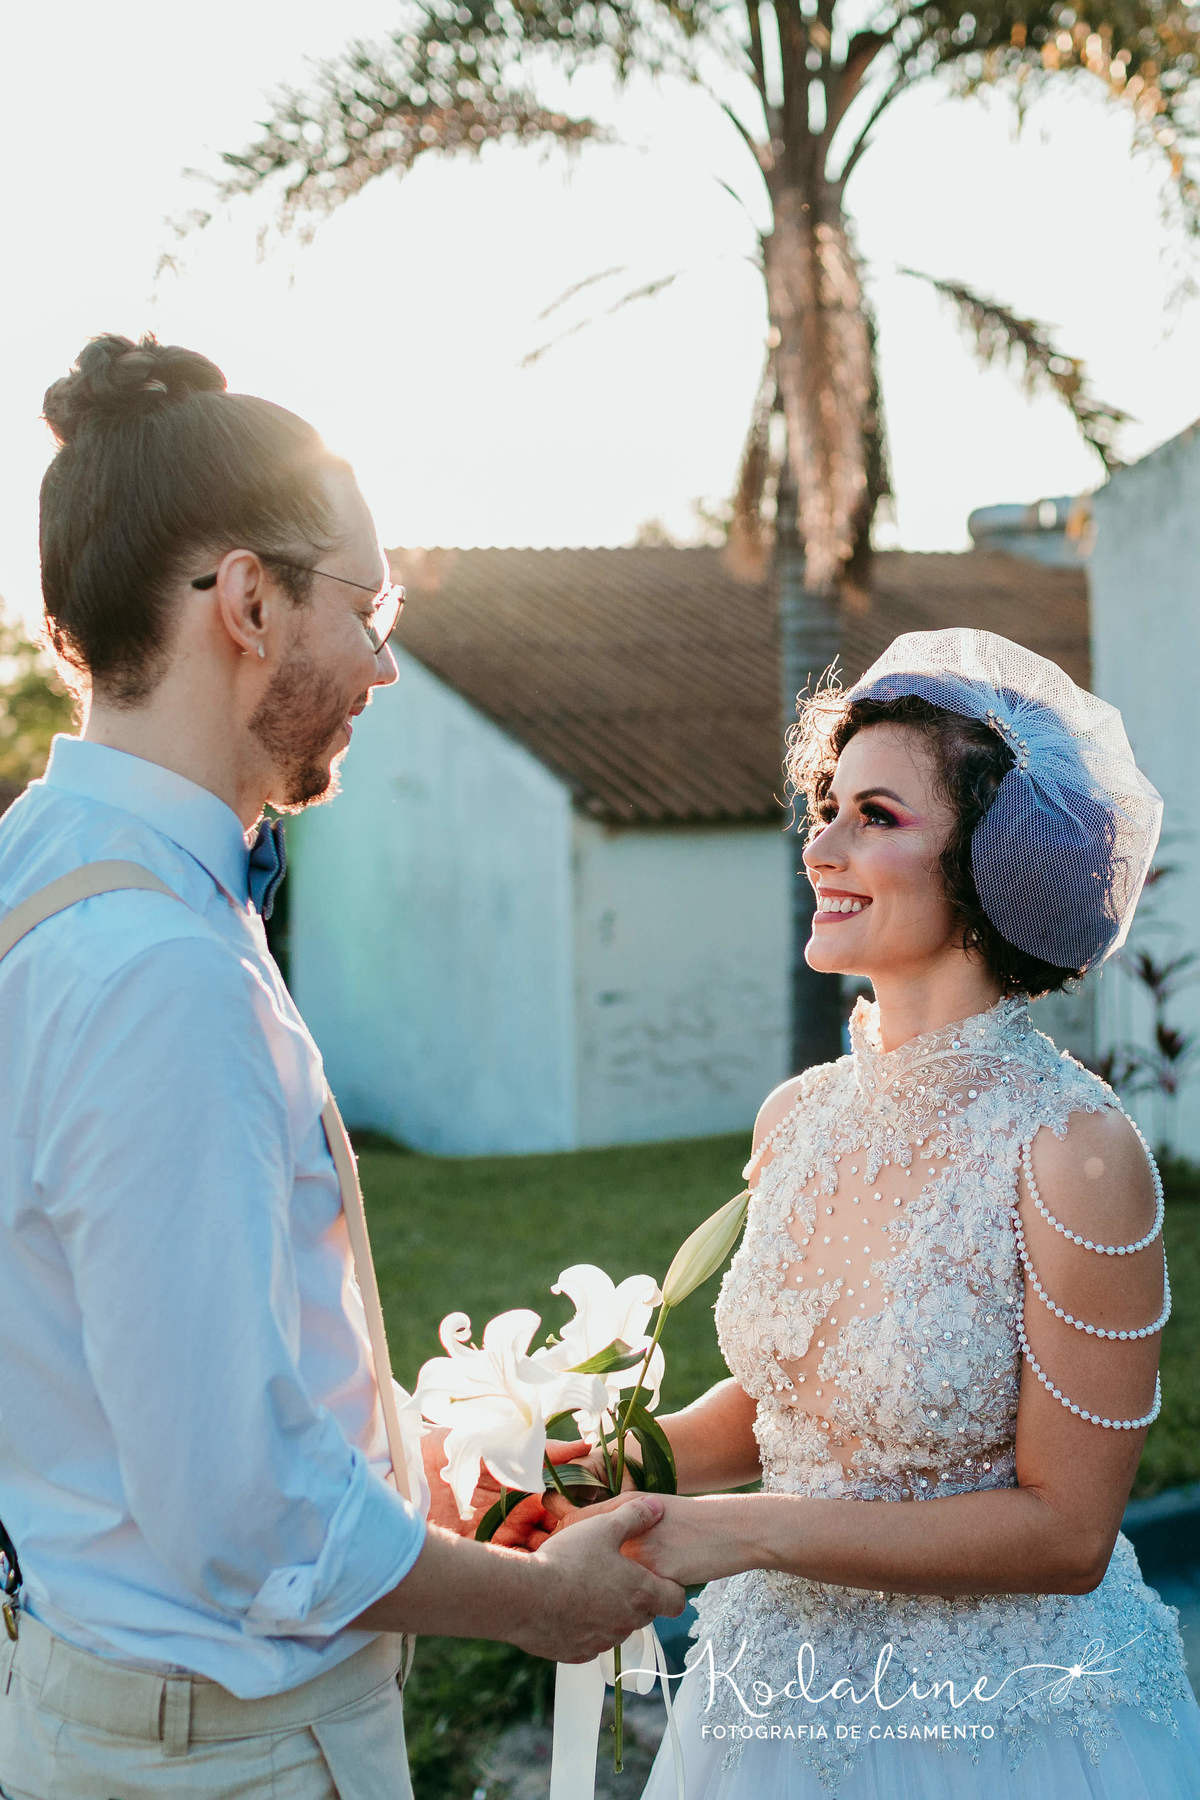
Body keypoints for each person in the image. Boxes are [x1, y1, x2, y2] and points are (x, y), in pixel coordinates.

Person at [0, 334, 683, 1800]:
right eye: (366, 609)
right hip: (226, 1754)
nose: (384, 662)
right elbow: (240, 1507)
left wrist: (408, 1457)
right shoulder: (155, 967)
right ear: (248, 601)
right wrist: (539, 1605)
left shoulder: (44, 877)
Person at [556, 630, 1200, 1797]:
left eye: (876, 817)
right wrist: (604, 1460)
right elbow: (797, 1407)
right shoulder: (795, 1117)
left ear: (992, 865)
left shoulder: (1075, 1154)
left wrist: (742, 1532)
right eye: (826, 810)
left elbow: (1068, 1535)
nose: (821, 848)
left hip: (1000, 1728)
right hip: (770, 1695)